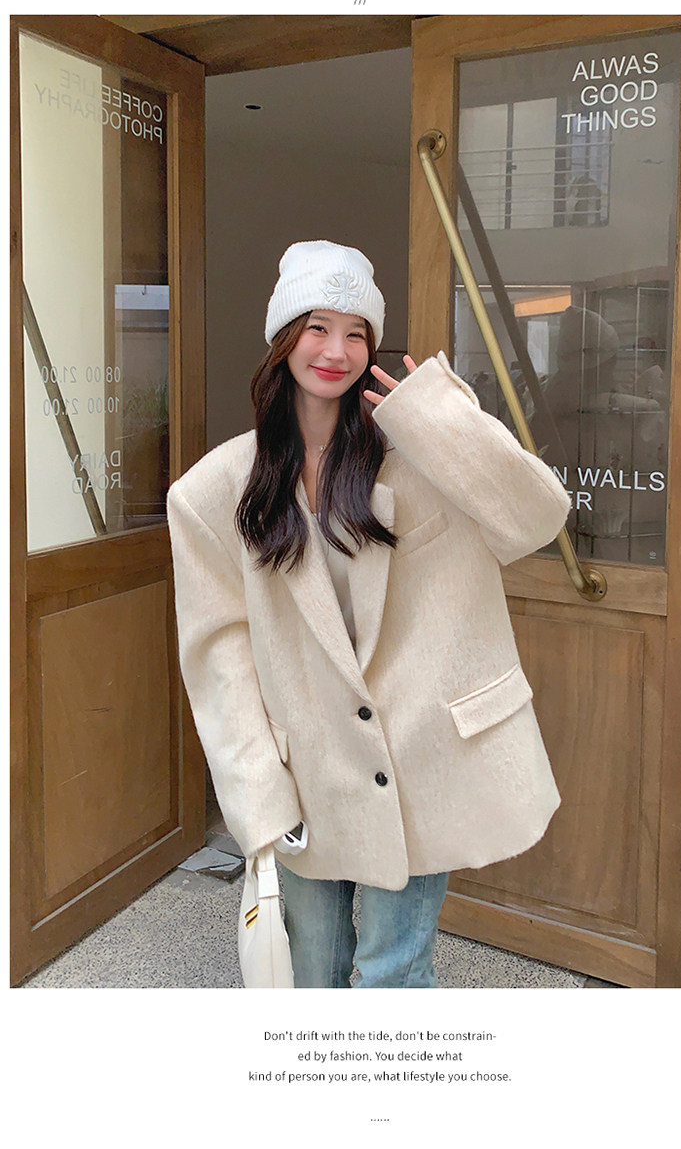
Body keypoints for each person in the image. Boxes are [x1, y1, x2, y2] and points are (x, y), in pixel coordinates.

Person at [167, 240, 571, 989]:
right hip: (307, 770)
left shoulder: (422, 453)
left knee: (395, 971)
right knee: (313, 972)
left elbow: (537, 518)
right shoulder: (211, 492)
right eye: (317, 326)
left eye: (357, 332)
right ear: (283, 338)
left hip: (421, 757)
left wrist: (442, 418)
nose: (337, 350)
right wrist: (259, 794)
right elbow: (219, 654)